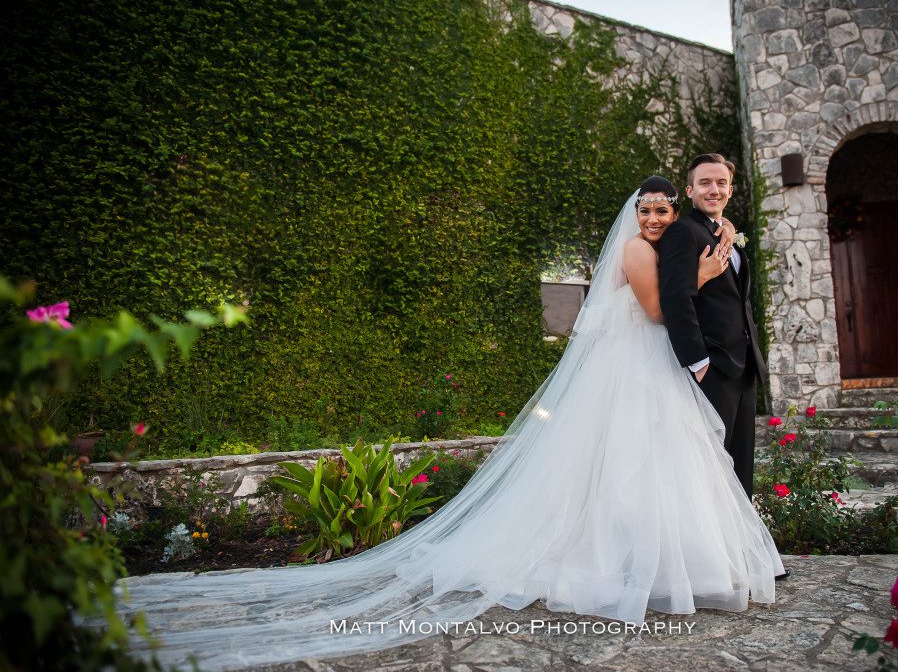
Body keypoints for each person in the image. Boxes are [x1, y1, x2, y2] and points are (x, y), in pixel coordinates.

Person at [114, 177, 784, 671]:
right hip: (637, 369)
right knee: (639, 459)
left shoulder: (650, 247)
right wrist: (701, 274)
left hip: (640, 368)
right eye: (650, 209)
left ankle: (659, 557)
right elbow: (662, 311)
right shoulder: (640, 253)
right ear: (637, 215)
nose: (658, 216)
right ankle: (640, 561)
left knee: (640, 463)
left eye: (664, 208)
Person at [658, 154, 767, 502]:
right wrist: (698, 362)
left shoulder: (725, 232)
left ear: (730, 190)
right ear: (690, 190)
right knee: (711, 468)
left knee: (740, 468)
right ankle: (713, 553)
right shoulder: (682, 233)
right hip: (714, 367)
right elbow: (675, 299)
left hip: (744, 364)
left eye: (721, 183)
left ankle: (739, 551)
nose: (714, 189)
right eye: (705, 182)